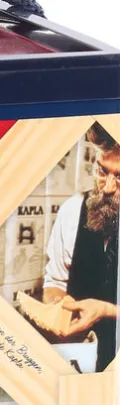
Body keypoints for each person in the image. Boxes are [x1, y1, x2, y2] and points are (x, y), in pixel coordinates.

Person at [43, 123, 120, 371]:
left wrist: (107, 310)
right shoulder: (73, 210)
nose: (108, 188)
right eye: (102, 172)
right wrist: (58, 308)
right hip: (82, 361)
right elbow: (55, 282)